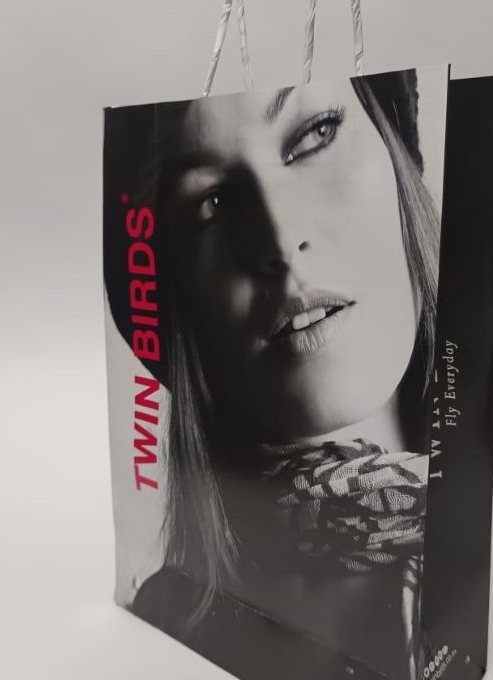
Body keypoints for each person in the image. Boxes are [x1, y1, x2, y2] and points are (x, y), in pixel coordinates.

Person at [104, 68, 443, 680]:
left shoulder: (465, 538)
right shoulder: (175, 616)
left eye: (317, 135)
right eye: (213, 201)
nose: (282, 239)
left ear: (397, 153)